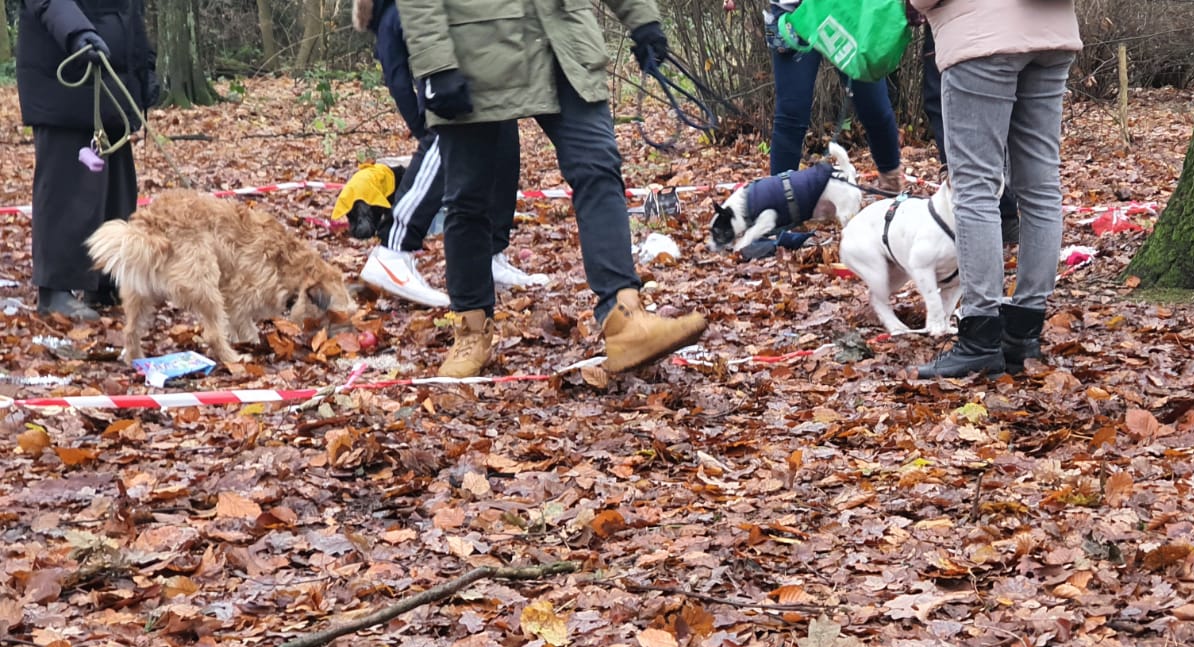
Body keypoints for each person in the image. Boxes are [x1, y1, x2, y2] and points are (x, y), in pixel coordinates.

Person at [396, 0, 707, 378]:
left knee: (598, 167)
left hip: (564, 42)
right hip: (473, 50)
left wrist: (642, 20)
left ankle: (626, 316)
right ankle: (471, 331)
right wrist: (435, 63)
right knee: (469, 197)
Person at [909, 0, 1080, 379]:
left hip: (981, 37)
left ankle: (981, 335)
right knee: (1040, 188)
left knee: (975, 190)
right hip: (1052, 34)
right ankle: (1024, 332)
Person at [351, 0, 543, 309]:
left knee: (504, 139)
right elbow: (398, 82)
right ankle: (393, 251)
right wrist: (425, 128)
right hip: (444, 97)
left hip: (480, 72)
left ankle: (491, 254)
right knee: (445, 142)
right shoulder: (392, 16)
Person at [17, 0, 158, 320]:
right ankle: (55, 290)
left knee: (117, 190)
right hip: (63, 78)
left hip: (113, 87)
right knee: (67, 190)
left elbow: (130, 13)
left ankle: (104, 281)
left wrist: (145, 69)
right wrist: (78, 33)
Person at [756, 1, 904, 192]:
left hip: (848, 9)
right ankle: (780, 197)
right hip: (794, 11)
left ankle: (892, 184)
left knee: (874, 105)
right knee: (791, 112)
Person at [913, 19, 1022, 246]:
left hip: (959, 27)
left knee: (948, 107)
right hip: (1028, 33)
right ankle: (1002, 214)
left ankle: (980, 216)